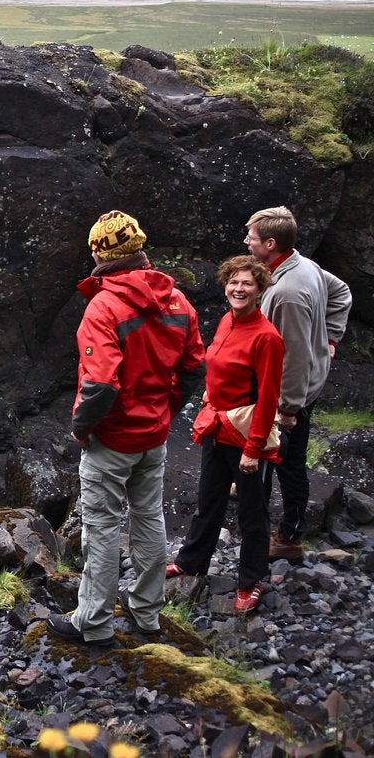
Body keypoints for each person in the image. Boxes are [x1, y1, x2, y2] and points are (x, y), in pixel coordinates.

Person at [47, 211, 205, 649]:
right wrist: (168, 410)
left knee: (101, 527)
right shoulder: (178, 301)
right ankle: (146, 612)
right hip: (154, 433)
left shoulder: (104, 306)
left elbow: (99, 385)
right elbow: (195, 367)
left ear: (99, 253)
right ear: (139, 248)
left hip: (112, 439)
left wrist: (83, 427)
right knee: (149, 519)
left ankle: (92, 623)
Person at [168, 256, 285, 612]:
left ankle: (251, 582)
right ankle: (192, 561)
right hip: (217, 427)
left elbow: (268, 397)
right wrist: (210, 392)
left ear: (260, 289)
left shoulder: (268, 338)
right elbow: (217, 366)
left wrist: (253, 449)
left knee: (252, 513)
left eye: (247, 283)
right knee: (209, 500)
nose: (239, 289)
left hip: (246, 435)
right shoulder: (225, 321)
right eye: (234, 282)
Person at [243, 206, 351, 561]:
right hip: (305, 380)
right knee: (271, 449)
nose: (246, 241)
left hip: (292, 391)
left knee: (288, 463)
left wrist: (288, 408)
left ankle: (288, 537)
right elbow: (342, 292)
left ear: (270, 244)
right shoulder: (302, 263)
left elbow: (293, 358)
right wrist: (331, 339)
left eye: (252, 238)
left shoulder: (288, 292)